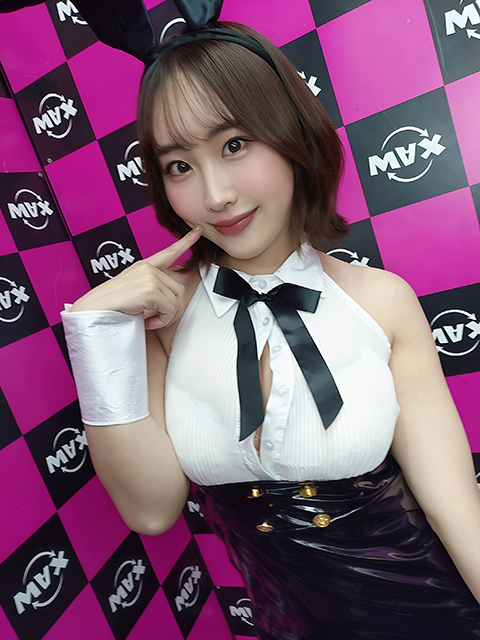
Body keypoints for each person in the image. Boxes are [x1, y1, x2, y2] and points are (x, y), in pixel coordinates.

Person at [57, 1, 480, 638]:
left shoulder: (382, 301)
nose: (216, 195)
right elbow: (151, 510)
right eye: (179, 166)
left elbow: (456, 512)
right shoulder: (161, 320)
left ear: (290, 136)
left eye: (234, 144)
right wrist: (96, 333)